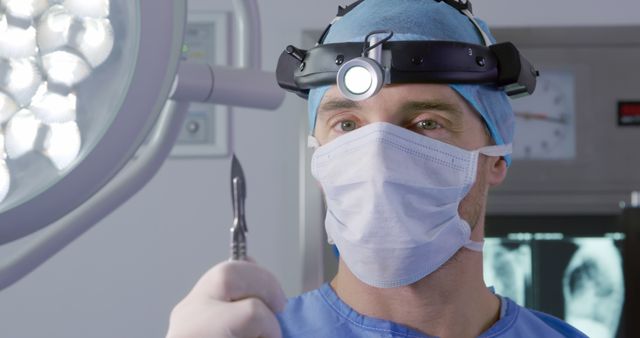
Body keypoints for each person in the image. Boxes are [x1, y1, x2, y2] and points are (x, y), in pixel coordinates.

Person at [166, 0, 588, 337]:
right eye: (347, 125)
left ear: (496, 157)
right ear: (319, 156)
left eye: (426, 124)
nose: (378, 157)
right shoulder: (259, 334)